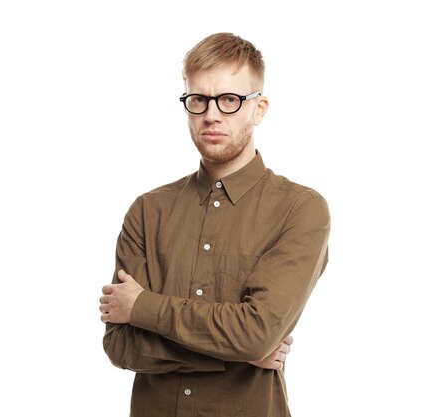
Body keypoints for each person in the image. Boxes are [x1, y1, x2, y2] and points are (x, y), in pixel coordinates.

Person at [99, 32, 330, 417]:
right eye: (198, 99)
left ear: (259, 109)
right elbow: (121, 345)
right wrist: (235, 353)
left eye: (230, 99)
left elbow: (255, 333)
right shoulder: (147, 210)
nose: (211, 114)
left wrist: (143, 307)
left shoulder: (301, 209)